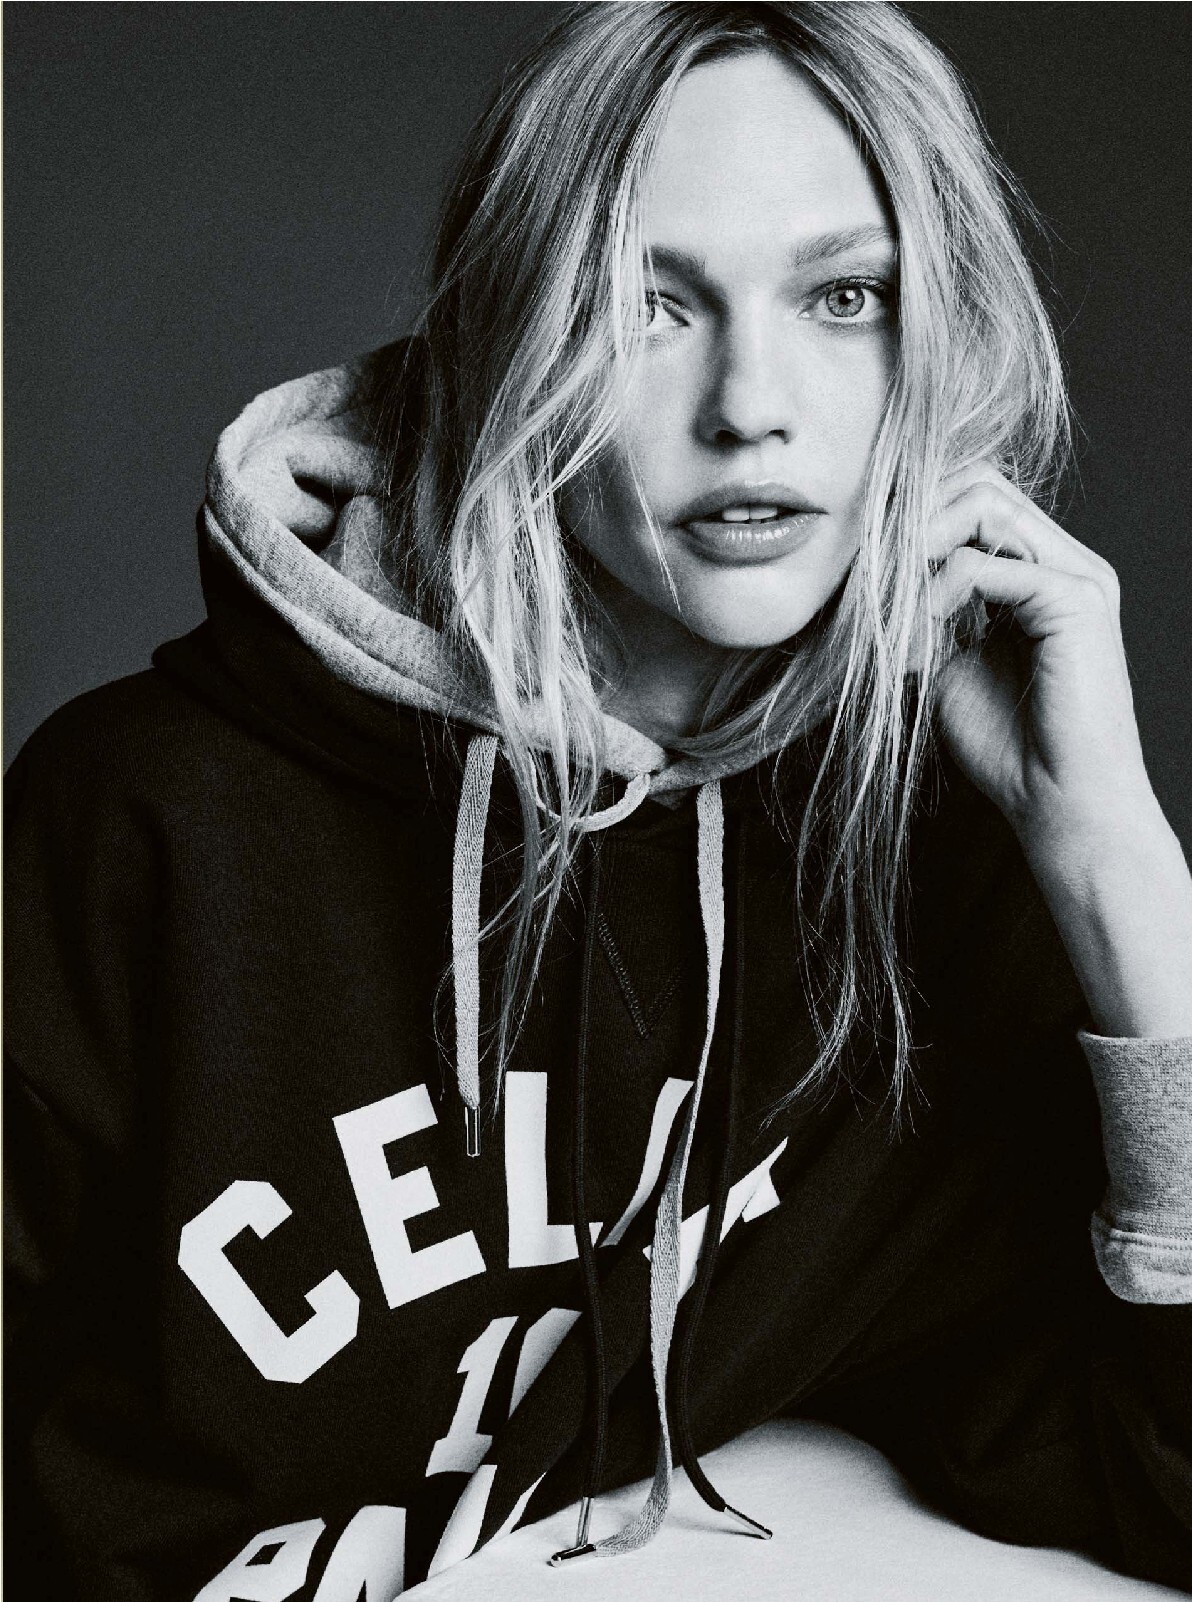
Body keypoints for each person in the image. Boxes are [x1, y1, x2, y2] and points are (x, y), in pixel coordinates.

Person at [6, 3, 1192, 1597]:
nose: (751, 402)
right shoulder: (140, 819)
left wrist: (1117, 866)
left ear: (939, 339)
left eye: (845, 296)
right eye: (647, 304)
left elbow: (1158, 1488)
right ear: (512, 336)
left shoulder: (934, 855)